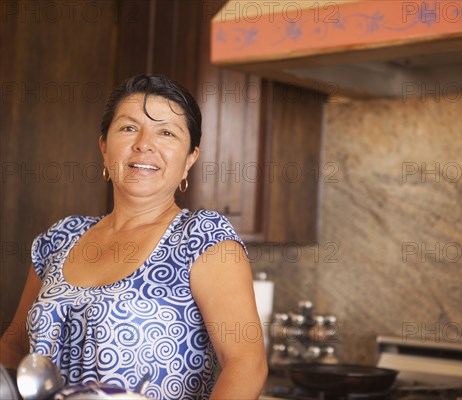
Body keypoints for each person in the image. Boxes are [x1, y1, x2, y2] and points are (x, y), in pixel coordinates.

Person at [0, 75, 268, 399]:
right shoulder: (61, 237)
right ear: (103, 146)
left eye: (166, 132)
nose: (144, 144)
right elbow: (14, 346)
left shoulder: (201, 237)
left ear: (189, 160)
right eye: (128, 128)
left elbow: (245, 363)